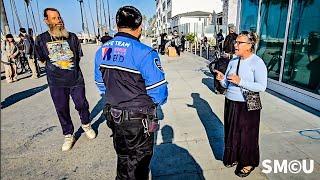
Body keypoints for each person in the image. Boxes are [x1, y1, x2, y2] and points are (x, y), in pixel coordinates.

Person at [94, 6, 168, 180]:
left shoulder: (103, 51)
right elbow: (159, 93)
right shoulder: (145, 52)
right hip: (138, 120)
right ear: (140, 26)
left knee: (124, 159)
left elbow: (101, 84)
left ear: (117, 24)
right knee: (139, 165)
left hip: (114, 116)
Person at [34, 8, 96, 152]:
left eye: (59, 17)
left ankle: (86, 125)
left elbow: (77, 57)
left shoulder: (72, 37)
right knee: (61, 109)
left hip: (75, 80)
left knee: (82, 104)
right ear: (47, 21)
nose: (59, 20)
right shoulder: (41, 39)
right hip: (56, 83)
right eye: (54, 18)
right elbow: (42, 59)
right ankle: (68, 134)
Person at [214, 31, 267, 177]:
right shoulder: (233, 61)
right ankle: (234, 157)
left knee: (247, 135)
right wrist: (221, 79)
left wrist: (241, 81)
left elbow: (262, 86)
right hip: (231, 102)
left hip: (247, 104)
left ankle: (248, 162)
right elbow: (227, 84)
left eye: (239, 42)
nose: (235, 44)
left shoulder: (257, 62)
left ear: (249, 45)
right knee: (232, 132)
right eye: (235, 42)